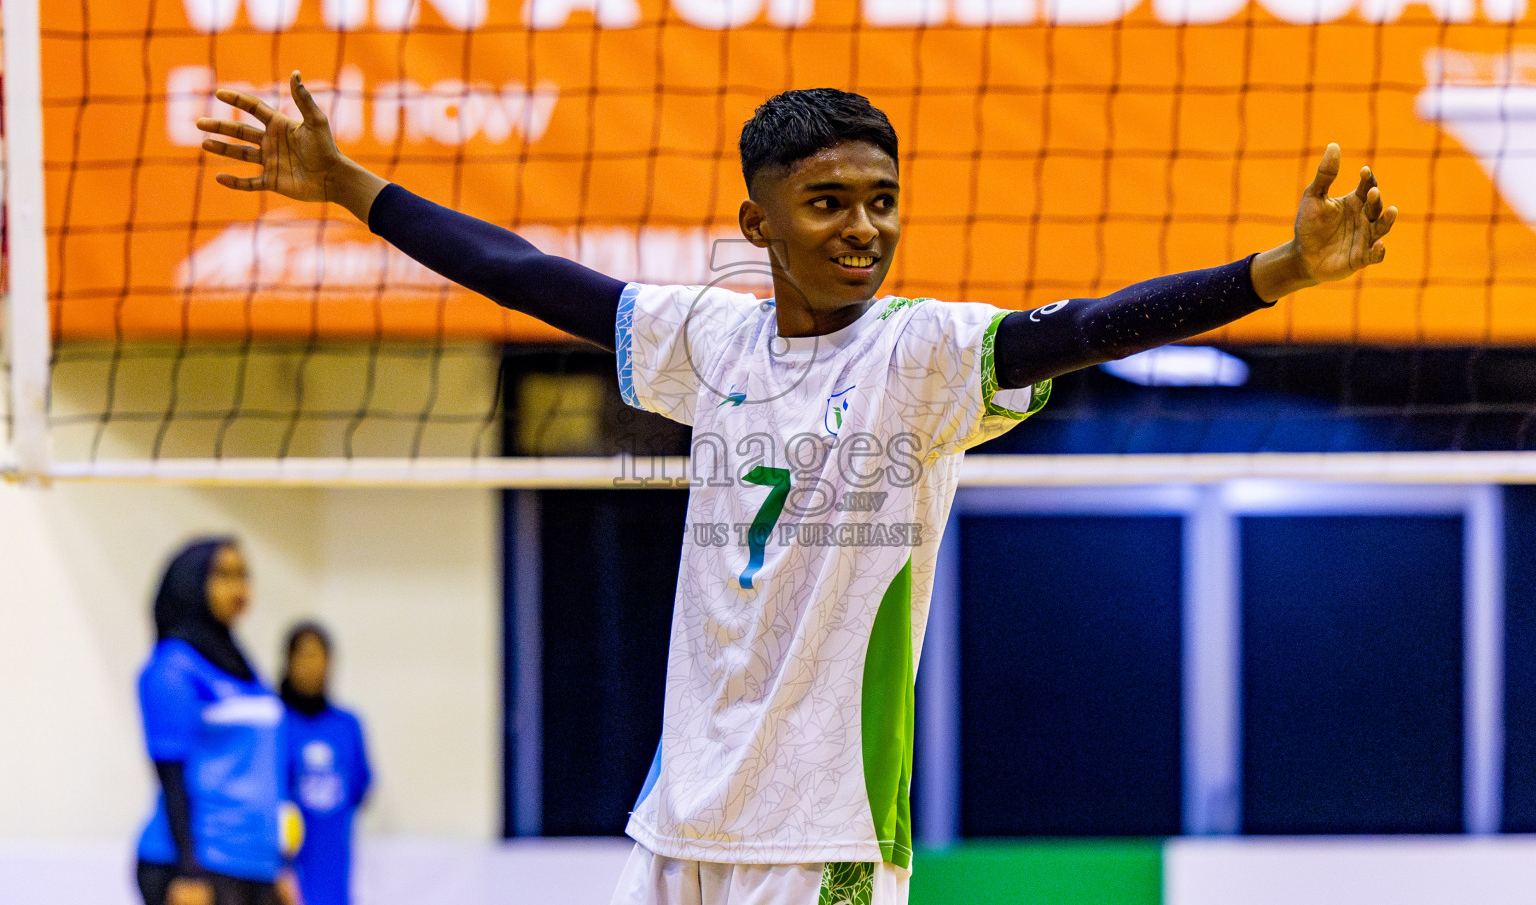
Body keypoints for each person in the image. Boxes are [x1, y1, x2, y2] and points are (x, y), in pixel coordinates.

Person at [197, 74, 1397, 905]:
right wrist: (355, 188)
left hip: (821, 833)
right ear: (756, 222)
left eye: (882, 202)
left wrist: (1276, 270)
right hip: (679, 820)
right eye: (828, 204)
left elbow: (1087, 326)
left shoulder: (924, 356)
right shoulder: (708, 340)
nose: (864, 230)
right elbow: (523, 273)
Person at [136, 538, 294, 905]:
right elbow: (171, 776)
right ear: (191, 582)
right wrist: (189, 873)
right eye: (223, 575)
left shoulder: (245, 668)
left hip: (257, 864)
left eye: (243, 575)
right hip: (198, 864)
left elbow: (263, 776)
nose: (239, 587)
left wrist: (281, 863)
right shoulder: (172, 667)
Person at [279, 622, 372, 905]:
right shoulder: (276, 723)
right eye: (305, 655)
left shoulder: (347, 725)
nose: (313, 665)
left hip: (333, 866)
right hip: (286, 870)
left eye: (320, 656)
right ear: (289, 661)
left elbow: (360, 787)